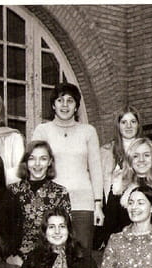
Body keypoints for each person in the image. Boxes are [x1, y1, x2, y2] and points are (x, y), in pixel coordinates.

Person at [32, 82, 104, 250]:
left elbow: (96, 169)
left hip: (83, 203)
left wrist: (98, 204)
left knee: (82, 254)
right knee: (51, 254)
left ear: (76, 106)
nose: (65, 105)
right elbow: (34, 167)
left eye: (70, 101)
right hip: (51, 202)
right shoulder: (42, 130)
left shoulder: (88, 131)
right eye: (60, 100)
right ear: (53, 105)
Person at [8, 140, 72, 259]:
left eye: (43, 159)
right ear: (26, 162)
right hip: (17, 257)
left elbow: (65, 230)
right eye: (32, 159)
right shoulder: (12, 191)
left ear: (50, 162)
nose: (37, 164)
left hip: (49, 256)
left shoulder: (60, 192)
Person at [108, 137, 152, 238]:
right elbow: (110, 229)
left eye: (146, 155)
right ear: (130, 160)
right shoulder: (119, 190)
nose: (141, 160)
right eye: (136, 156)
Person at [97, 107, 143, 248]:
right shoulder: (105, 151)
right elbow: (98, 183)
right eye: (124, 122)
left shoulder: (148, 149)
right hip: (113, 207)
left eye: (133, 122)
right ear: (118, 125)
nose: (128, 126)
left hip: (139, 205)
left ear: (138, 125)